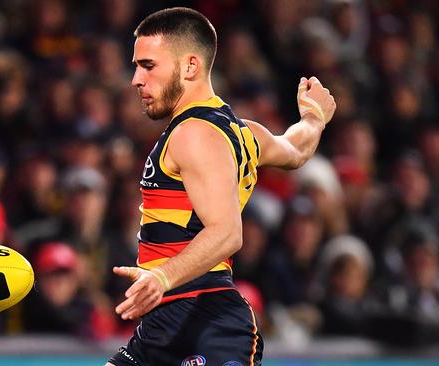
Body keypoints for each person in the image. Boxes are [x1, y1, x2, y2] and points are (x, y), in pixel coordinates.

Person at [107, 7, 335, 366]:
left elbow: (228, 233)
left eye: (148, 65)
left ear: (190, 66)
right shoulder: (242, 132)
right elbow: (294, 149)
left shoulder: (194, 134)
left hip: (204, 316)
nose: (136, 79)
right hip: (165, 323)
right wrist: (314, 118)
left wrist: (162, 277)